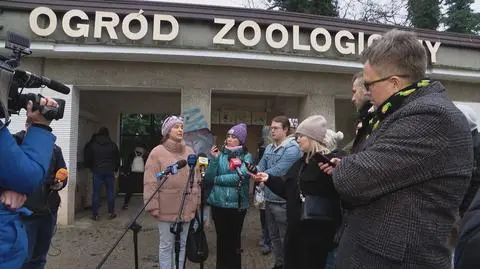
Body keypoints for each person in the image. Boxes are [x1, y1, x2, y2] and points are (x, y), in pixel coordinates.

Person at [320, 30, 473, 269]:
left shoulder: (431, 115)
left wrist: (347, 166)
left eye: (369, 84)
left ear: (394, 82)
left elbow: (354, 179)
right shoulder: (399, 111)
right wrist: (352, 162)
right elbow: (368, 165)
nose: (367, 92)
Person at [254, 115, 343, 269]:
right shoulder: (301, 162)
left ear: (312, 137)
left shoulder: (328, 164)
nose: (297, 140)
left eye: (301, 136)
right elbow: (287, 190)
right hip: (295, 233)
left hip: (316, 238)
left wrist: (340, 163)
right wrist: (268, 179)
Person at [0, 97, 59, 268]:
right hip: (29, 212)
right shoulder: (16, 141)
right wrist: (41, 126)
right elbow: (26, 175)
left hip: (46, 207)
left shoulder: (55, 149)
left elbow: (61, 169)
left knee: (39, 257)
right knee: (29, 259)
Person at [143, 116, 200, 269]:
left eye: (182, 126)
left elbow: (196, 180)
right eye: (176, 127)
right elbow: (150, 181)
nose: (180, 129)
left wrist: (195, 202)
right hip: (165, 207)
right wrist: (153, 206)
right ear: (167, 131)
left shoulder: (190, 152)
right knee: (166, 245)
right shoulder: (157, 152)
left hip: (186, 207)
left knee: (182, 246)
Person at [14, 120, 68, 269]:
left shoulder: (55, 149)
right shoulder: (16, 146)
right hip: (25, 213)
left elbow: (63, 172)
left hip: (48, 211)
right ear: (27, 126)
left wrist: (60, 183)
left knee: (40, 257)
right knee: (24, 257)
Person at [255, 115, 302, 269]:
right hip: (269, 198)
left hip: (283, 201)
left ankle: (288, 264)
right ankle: (279, 263)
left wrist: (259, 175)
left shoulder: (293, 149)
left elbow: (279, 170)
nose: (272, 131)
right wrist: (252, 170)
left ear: (286, 130)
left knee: (285, 237)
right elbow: (260, 166)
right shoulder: (269, 147)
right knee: (274, 236)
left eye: (275, 128)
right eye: (271, 128)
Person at [204, 123, 252, 269]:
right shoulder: (221, 155)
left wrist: (218, 180)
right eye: (228, 136)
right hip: (218, 204)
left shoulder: (246, 156)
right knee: (221, 240)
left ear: (241, 140)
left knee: (234, 241)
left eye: (234, 137)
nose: (230, 139)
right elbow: (208, 178)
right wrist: (214, 159)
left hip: (237, 205)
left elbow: (241, 177)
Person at [84, 127, 120, 220]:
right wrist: (116, 169)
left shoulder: (93, 145)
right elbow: (117, 158)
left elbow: (89, 158)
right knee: (110, 192)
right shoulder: (113, 145)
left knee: (96, 193)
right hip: (109, 171)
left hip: (97, 171)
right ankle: (111, 213)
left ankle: (95, 214)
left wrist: (91, 167)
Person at [121, 146, 147, 210]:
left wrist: (125, 172)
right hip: (142, 175)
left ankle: (125, 204)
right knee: (146, 189)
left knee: (129, 190)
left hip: (133, 174)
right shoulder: (145, 157)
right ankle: (148, 204)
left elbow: (127, 164)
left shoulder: (131, 156)